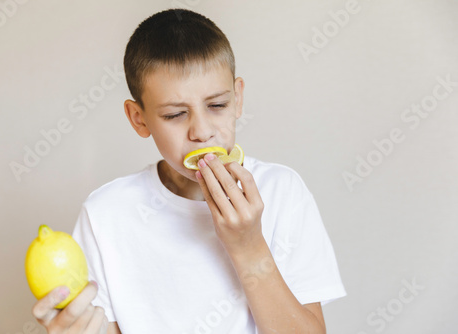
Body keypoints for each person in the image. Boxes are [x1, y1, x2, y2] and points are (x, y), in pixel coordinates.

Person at [32, 8, 346, 334]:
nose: (202, 131)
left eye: (217, 105)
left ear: (238, 99)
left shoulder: (284, 192)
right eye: (175, 114)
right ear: (139, 118)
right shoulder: (105, 215)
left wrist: (248, 245)